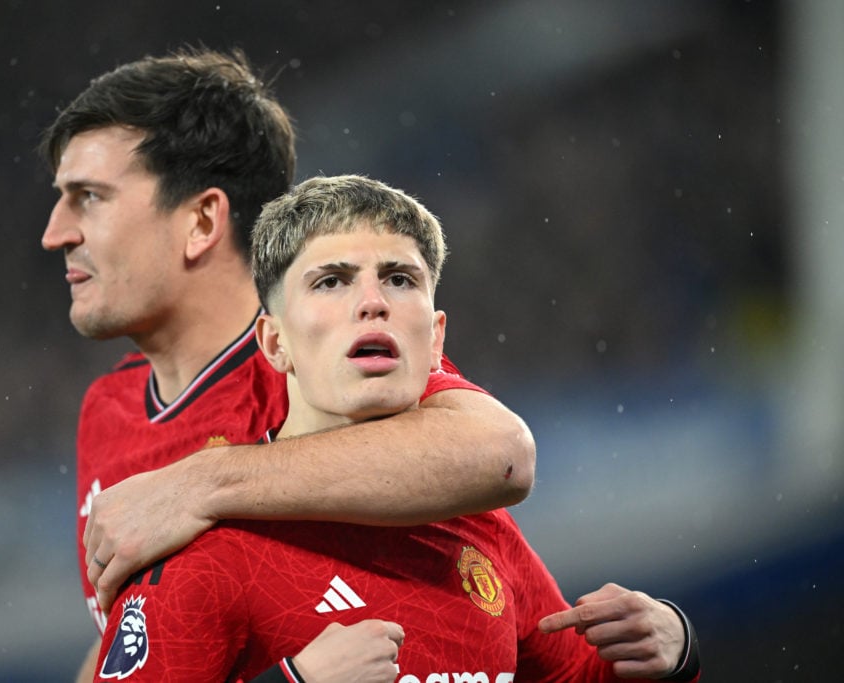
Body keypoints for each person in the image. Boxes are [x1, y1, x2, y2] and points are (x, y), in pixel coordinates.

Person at [39, 48, 536, 682]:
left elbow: (498, 452)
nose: (56, 232)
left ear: (201, 221)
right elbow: (134, 645)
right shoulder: (105, 411)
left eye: (88, 198)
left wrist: (202, 481)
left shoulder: (317, 364)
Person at [89, 174, 701, 682]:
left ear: (435, 340)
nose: (372, 301)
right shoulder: (203, 555)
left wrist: (672, 649)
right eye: (331, 281)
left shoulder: (480, 525)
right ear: (275, 343)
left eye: (399, 278)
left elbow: (575, 676)